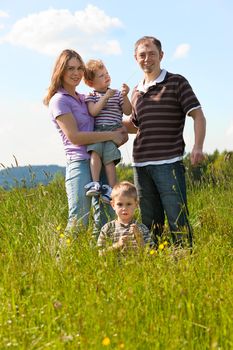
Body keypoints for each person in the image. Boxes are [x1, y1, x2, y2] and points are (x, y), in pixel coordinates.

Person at [124, 36, 206, 247]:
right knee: (150, 223)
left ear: (161, 55)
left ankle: (184, 260)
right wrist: (102, 124)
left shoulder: (177, 82)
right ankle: (155, 262)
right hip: (141, 166)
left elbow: (198, 115)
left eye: (152, 53)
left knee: (177, 219)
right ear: (136, 58)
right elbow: (136, 125)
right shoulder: (135, 92)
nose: (147, 58)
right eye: (142, 55)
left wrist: (198, 146)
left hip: (169, 164)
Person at [43, 49, 127, 237]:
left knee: (106, 218)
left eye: (80, 68)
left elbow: (105, 122)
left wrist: (125, 131)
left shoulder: (83, 98)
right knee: (79, 219)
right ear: (61, 71)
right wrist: (110, 135)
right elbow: (76, 137)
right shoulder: (59, 100)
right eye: (70, 68)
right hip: (80, 163)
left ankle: (102, 258)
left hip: (101, 160)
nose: (76, 73)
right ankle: (61, 263)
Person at [83, 59, 132, 203]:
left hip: (113, 132)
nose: (106, 77)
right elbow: (93, 111)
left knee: (110, 160)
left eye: (107, 73)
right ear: (91, 83)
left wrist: (125, 95)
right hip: (98, 132)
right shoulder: (91, 95)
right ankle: (96, 183)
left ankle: (111, 189)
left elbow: (128, 111)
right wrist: (105, 97)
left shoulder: (117, 94)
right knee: (95, 153)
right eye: (101, 76)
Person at [97, 181, 153, 255]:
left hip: (137, 265)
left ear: (136, 204)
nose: (124, 208)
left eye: (129, 204)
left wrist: (139, 239)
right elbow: (100, 254)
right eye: (120, 204)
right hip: (114, 266)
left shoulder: (141, 228)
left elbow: (151, 253)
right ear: (113, 205)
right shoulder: (108, 228)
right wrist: (117, 245)